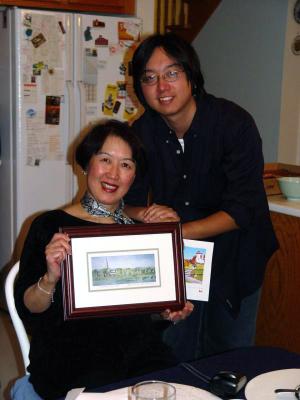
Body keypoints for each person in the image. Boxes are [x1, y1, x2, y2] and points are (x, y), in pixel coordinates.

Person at [124, 33, 279, 362]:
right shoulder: (142, 133)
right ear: (140, 88)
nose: (162, 87)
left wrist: (176, 233)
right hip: (182, 260)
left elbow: (242, 210)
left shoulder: (233, 124)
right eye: (150, 78)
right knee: (174, 351)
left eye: (172, 73)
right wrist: (146, 214)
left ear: (191, 77)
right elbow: (128, 201)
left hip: (236, 255)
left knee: (229, 358)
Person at [13, 119, 193, 400]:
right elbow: (29, 308)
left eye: (126, 165)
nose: (113, 174)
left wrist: (166, 311)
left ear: (134, 176)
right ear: (86, 164)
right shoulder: (49, 225)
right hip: (72, 361)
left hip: (138, 358)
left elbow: (141, 315)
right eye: (105, 159)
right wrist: (50, 278)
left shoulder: (140, 235)